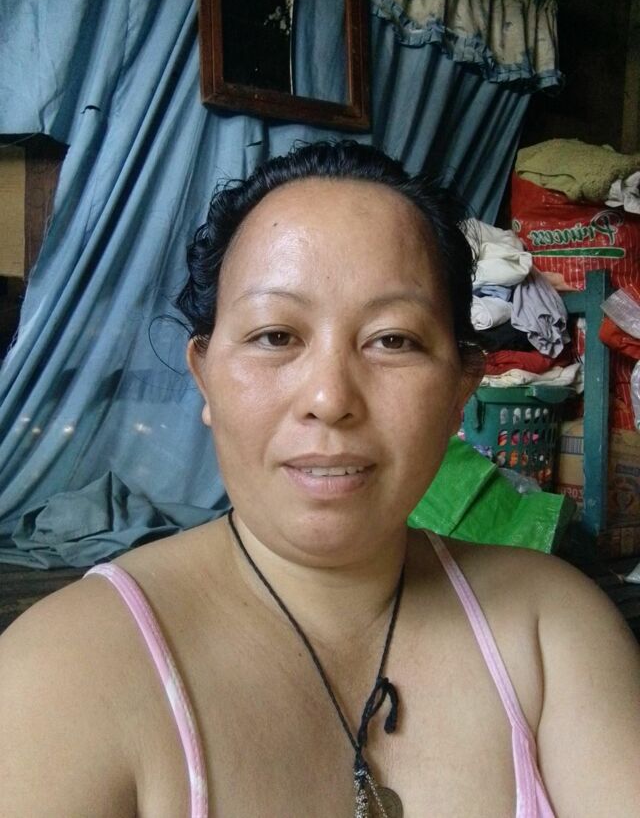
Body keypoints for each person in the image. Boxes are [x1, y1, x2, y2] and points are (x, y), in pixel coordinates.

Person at [1, 141, 639, 818]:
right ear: (204, 376)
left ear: (461, 387)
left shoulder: (554, 634)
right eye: (276, 336)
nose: (330, 398)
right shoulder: (63, 675)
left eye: (393, 339)